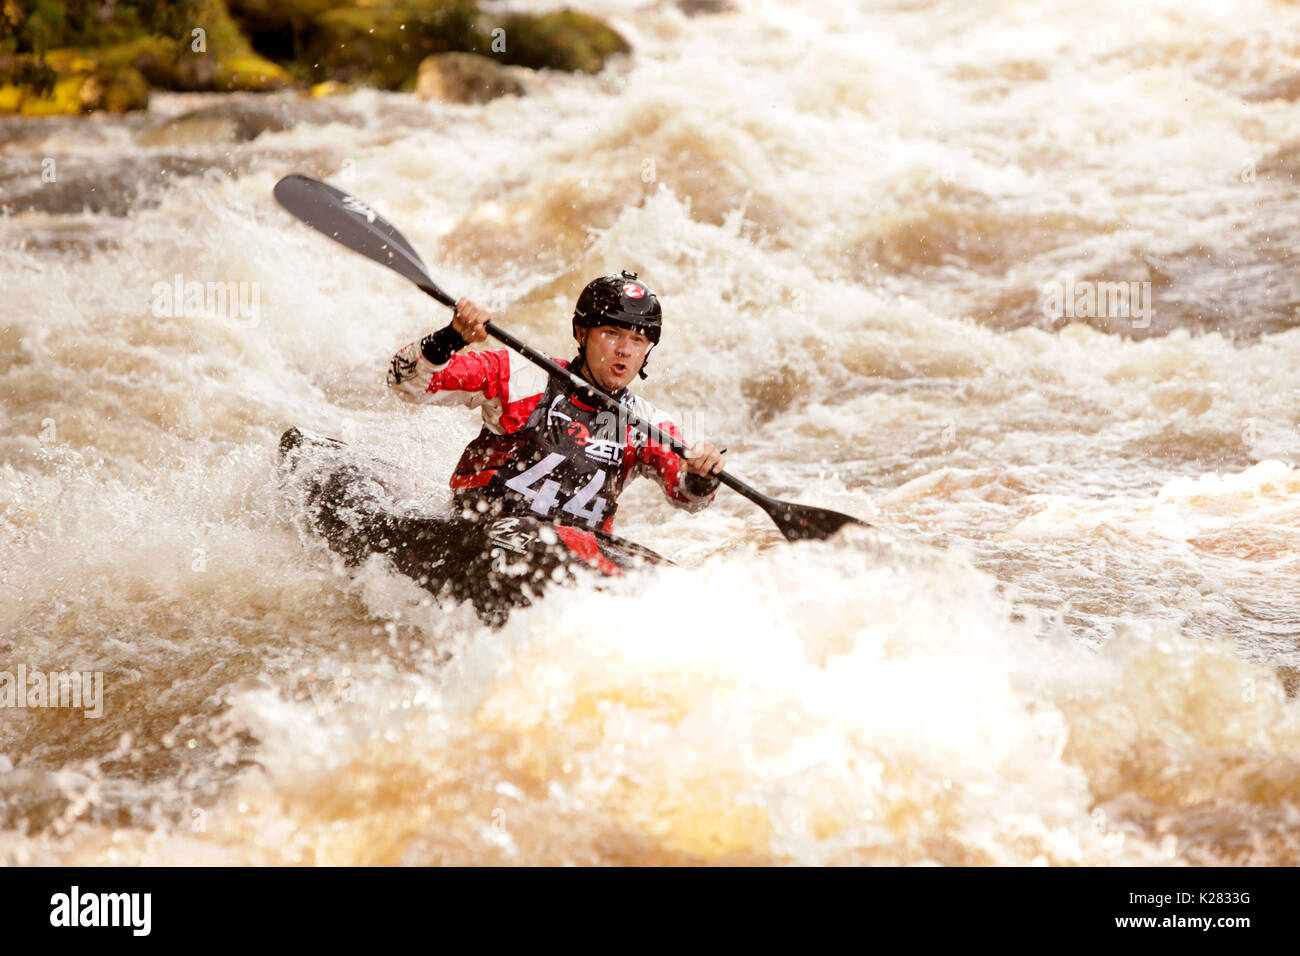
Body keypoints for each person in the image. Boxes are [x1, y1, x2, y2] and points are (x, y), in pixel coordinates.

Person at [386, 271, 726, 534]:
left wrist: (700, 475)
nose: (625, 349)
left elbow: (686, 496)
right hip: (479, 534)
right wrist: (453, 336)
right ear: (581, 334)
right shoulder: (521, 376)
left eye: (638, 340)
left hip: (568, 557)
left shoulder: (645, 424)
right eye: (612, 334)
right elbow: (406, 383)